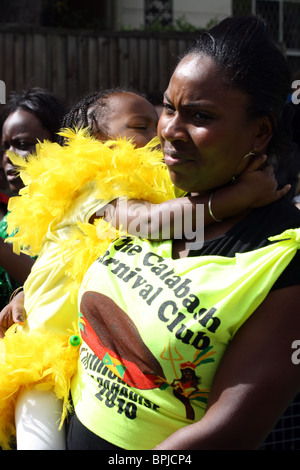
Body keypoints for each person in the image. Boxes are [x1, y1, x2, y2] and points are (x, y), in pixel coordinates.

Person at [0, 83, 287, 451]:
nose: (160, 133)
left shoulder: (150, 187)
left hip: (85, 357)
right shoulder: (96, 182)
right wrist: (235, 198)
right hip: (40, 359)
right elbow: (149, 222)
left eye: (157, 122)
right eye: (140, 127)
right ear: (96, 141)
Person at [64, 16, 300, 450]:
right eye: (169, 107)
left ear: (261, 131)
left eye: (201, 116)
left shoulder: (285, 256)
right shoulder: (151, 191)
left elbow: (229, 432)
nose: (170, 130)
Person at [0, 88, 66, 310]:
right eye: (5, 147)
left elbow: (56, 289)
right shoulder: (7, 221)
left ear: (57, 145)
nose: (8, 157)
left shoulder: (73, 214)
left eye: (21, 145)